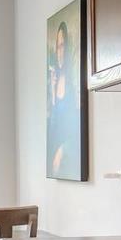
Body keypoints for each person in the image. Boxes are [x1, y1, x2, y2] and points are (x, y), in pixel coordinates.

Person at [47, 19, 78, 176]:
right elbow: (53, 125)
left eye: (62, 46)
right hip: (54, 147)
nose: (59, 52)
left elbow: (75, 128)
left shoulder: (73, 86)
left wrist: (63, 149)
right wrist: (52, 95)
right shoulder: (53, 81)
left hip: (66, 153)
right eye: (57, 47)